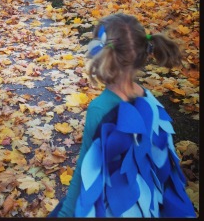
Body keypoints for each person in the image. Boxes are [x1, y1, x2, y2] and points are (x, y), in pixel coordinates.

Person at [49, 13, 196, 218]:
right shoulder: (150, 100)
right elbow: (164, 165)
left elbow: (84, 173)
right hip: (148, 203)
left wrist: (65, 214)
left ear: (100, 55)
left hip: (112, 206)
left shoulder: (99, 109)